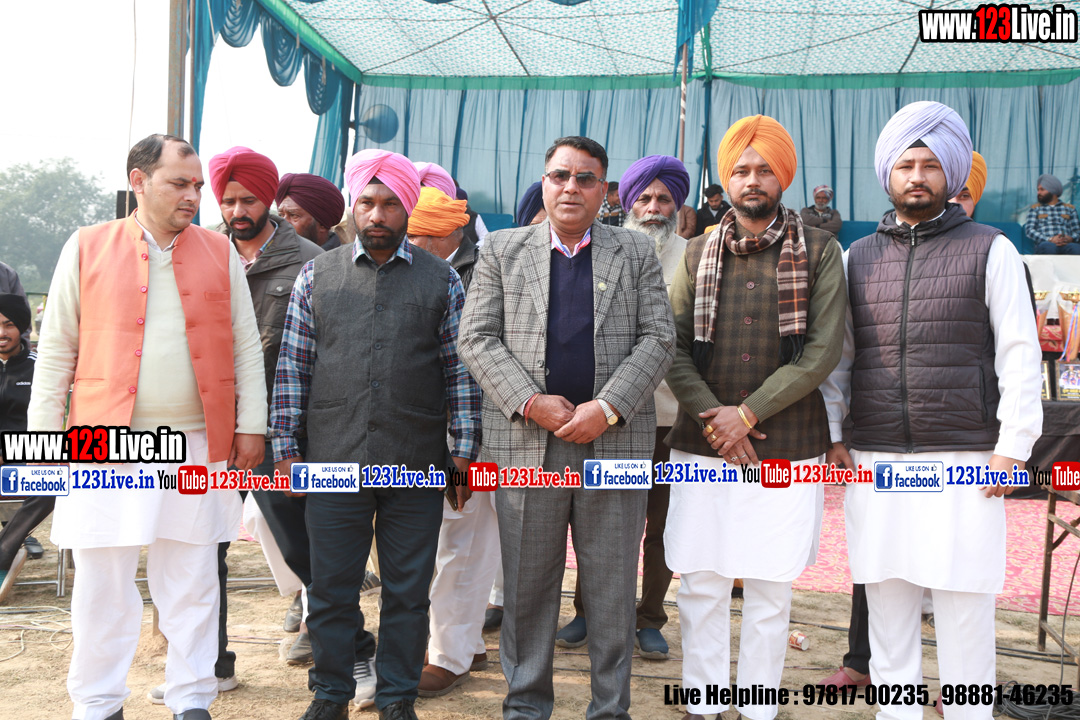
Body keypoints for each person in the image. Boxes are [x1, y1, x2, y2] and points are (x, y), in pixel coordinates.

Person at [28, 133, 266, 720]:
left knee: (192, 577)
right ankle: (97, 702)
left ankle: (193, 698)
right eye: (179, 183)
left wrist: (252, 426)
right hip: (99, 442)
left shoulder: (219, 252)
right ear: (138, 181)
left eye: (196, 186)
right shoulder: (86, 246)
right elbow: (55, 350)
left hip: (196, 441)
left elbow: (245, 347)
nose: (193, 196)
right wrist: (42, 440)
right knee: (102, 582)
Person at [821, 101, 1042, 720]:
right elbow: (840, 359)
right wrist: (836, 434)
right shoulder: (857, 256)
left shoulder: (992, 249)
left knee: (963, 601)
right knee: (887, 601)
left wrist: (1013, 448)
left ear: (951, 171)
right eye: (905, 165)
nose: (916, 177)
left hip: (966, 458)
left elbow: (1020, 354)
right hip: (876, 457)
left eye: (929, 165)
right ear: (887, 175)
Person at [458, 135, 675, 720]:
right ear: (545, 182)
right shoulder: (502, 249)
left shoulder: (635, 251)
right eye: (560, 176)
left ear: (604, 191)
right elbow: (475, 339)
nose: (570, 187)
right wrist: (530, 402)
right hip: (528, 444)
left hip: (614, 443)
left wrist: (606, 407)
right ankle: (526, 705)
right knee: (528, 586)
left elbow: (659, 338)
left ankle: (609, 708)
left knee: (610, 588)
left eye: (585, 178)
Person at [271, 148, 481, 720]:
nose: (378, 214)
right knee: (331, 589)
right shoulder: (317, 274)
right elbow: (293, 367)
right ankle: (331, 694)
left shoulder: (442, 280)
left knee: (408, 594)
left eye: (390, 204)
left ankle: (395, 698)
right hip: (332, 461)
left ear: (408, 208)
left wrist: (463, 452)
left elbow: (459, 373)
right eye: (367, 202)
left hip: (415, 461)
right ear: (353, 207)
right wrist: (285, 448)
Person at [664, 116, 846, 720]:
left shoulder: (820, 250)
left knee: (770, 582)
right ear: (727, 178)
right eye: (741, 170)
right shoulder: (697, 251)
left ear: (783, 176)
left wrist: (747, 414)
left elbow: (822, 351)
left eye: (764, 169)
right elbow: (672, 346)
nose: (752, 180)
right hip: (702, 442)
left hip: (788, 442)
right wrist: (716, 420)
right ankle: (703, 698)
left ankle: (759, 705)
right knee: (702, 577)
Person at [554, 155, 691, 661]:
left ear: (679, 207)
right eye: (644, 198)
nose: (653, 208)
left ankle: (650, 617)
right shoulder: (604, 249)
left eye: (664, 200)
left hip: (670, 419)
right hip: (607, 417)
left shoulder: (694, 257)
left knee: (661, 525)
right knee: (600, 524)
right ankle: (588, 612)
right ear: (627, 202)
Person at [210, 148, 326, 671]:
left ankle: (339, 644)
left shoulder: (308, 260)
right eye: (228, 200)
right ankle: (211, 662)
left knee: (300, 544)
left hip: (278, 431)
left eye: (249, 200)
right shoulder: (203, 252)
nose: (238, 211)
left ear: (269, 200)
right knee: (205, 546)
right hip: (211, 426)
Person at [407, 187, 496, 696]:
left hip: (470, 426)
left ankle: (449, 655)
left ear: (445, 236)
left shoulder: (483, 271)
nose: (409, 245)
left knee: (463, 540)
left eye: (417, 237)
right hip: (421, 425)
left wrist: (466, 438)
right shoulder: (415, 268)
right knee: (441, 540)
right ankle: (464, 641)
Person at [0, 293, 48, 604]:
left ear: (22, 328)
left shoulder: (39, 367)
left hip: (27, 455)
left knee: (52, 485)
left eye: (9, 325)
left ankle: (4, 551)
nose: (1, 332)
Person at [276, 173, 347, 250]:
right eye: (281, 215)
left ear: (322, 224)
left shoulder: (344, 257)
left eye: (294, 215)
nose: (282, 224)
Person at [1026, 172, 1079, 254]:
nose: (1038, 193)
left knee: (1076, 248)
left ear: (1052, 191)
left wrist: (1070, 238)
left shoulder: (1069, 208)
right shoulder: (1035, 209)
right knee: (1048, 247)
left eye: (1042, 189)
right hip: (1046, 243)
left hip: (1066, 245)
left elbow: (1077, 231)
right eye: (1038, 190)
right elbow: (1029, 231)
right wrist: (1050, 239)